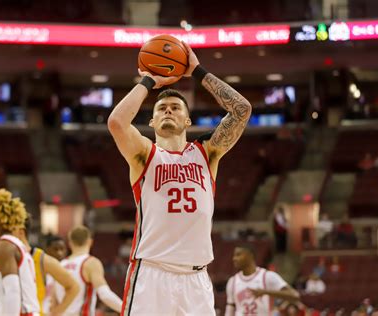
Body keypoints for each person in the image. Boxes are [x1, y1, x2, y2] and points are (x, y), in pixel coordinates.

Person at [108, 41, 252, 315]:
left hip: (196, 279)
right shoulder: (144, 154)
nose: (168, 111)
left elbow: (241, 110)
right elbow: (116, 123)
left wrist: (197, 71)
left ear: (188, 120)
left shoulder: (207, 153)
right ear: (151, 122)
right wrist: (149, 79)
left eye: (175, 107)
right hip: (152, 273)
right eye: (161, 109)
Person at [0, 216, 78, 316]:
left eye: (9, 229)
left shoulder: (40, 259)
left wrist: (55, 313)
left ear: (20, 231)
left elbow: (73, 286)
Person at [54, 226, 122, 315]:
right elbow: (105, 294)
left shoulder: (60, 264)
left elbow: (53, 300)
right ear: (90, 242)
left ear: (70, 243)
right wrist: (127, 309)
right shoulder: (90, 263)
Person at [225, 244, 299, 315]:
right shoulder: (232, 281)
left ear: (250, 255)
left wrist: (265, 292)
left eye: (238, 255)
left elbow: (295, 296)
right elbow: (230, 308)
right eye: (234, 255)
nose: (234, 258)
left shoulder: (267, 276)